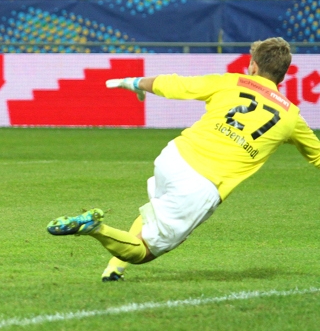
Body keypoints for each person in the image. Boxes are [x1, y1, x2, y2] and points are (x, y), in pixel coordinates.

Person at [48, 37, 320, 281]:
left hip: (174, 156)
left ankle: (114, 269)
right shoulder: (291, 117)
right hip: (201, 184)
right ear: (283, 76)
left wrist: (133, 82)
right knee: (144, 252)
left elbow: (178, 85)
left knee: (153, 211)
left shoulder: (230, 81)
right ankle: (94, 228)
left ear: (252, 65)